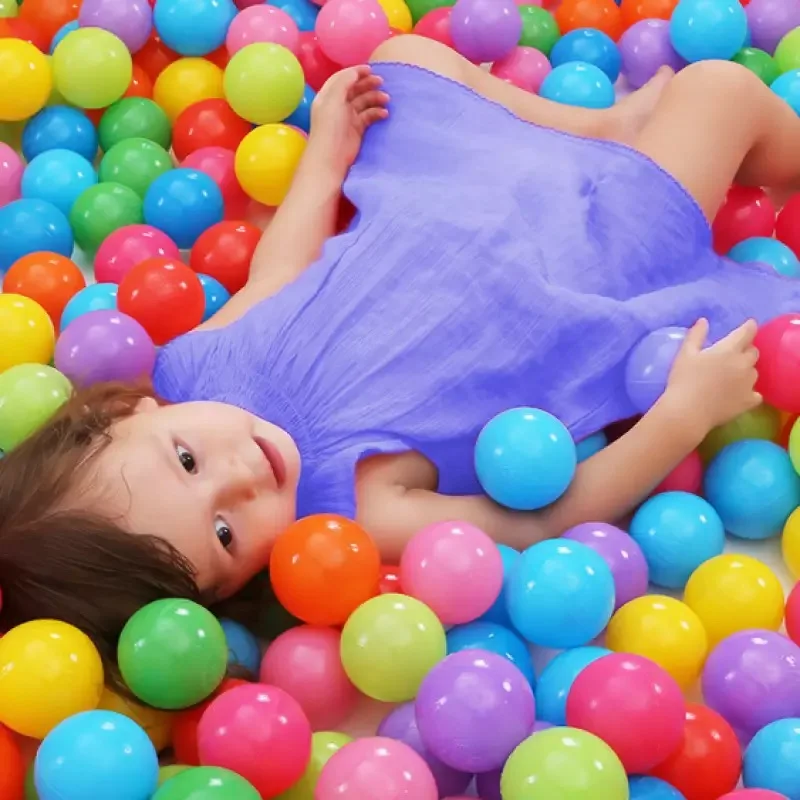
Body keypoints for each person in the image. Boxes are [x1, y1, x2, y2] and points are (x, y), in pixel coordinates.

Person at [2, 35, 800, 679]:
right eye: (224, 533)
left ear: (133, 410)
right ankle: (679, 146)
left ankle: (605, 129)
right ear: (240, 586)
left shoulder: (200, 366)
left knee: (401, 60)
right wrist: (682, 414)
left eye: (186, 459)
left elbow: (282, 267)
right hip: (590, 268)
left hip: (460, 197)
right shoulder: (349, 508)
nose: (241, 478)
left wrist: (327, 153)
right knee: (720, 90)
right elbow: (543, 517)